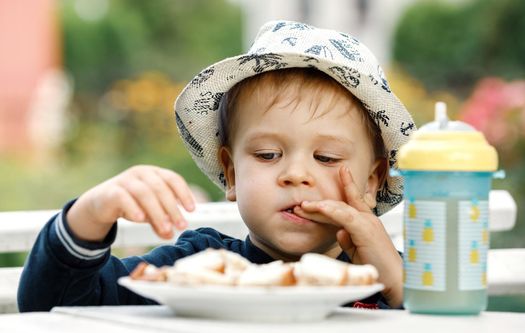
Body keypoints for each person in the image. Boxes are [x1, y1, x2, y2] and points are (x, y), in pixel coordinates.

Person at [18, 20, 415, 312]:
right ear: (231, 173)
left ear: (372, 180)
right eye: (267, 155)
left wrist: (399, 286)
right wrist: (90, 215)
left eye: (326, 158)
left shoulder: (386, 279)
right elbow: (54, 306)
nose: (296, 174)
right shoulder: (194, 269)